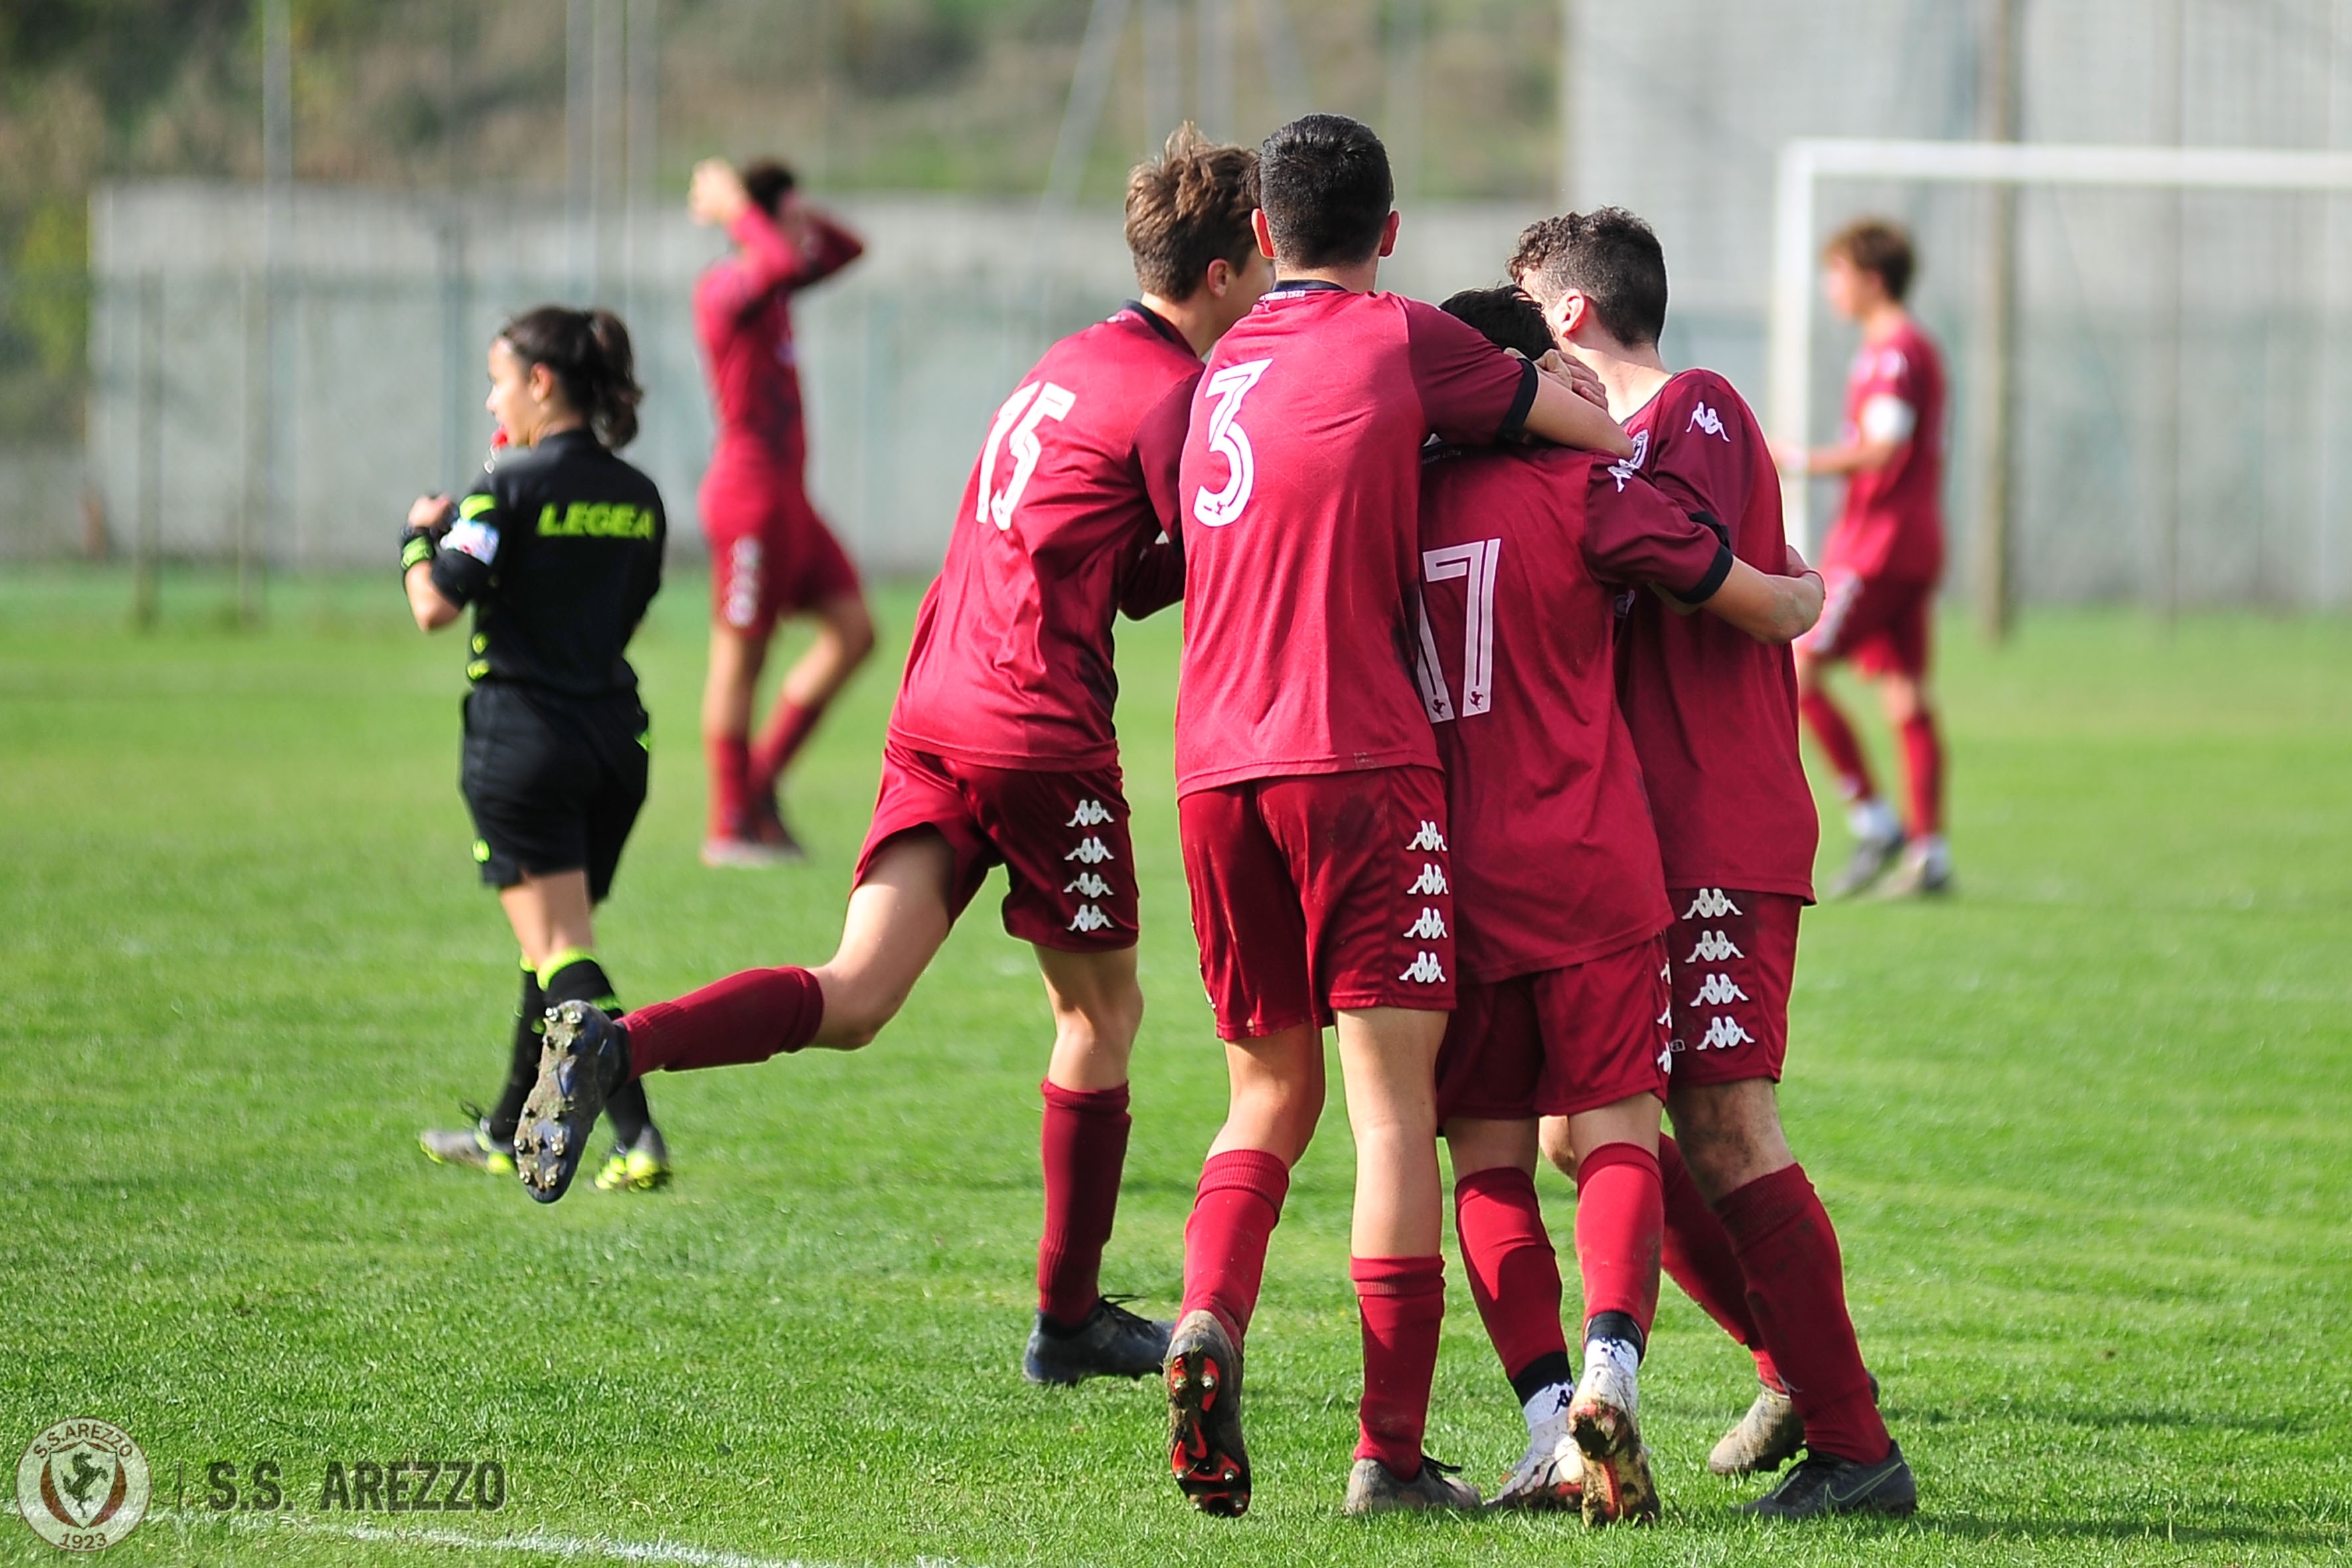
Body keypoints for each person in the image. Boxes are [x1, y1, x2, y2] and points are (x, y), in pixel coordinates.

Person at [503, 129, 1270, 1387]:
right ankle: (1067, 1320)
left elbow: (1118, 561)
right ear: (1232, 269)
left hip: (936, 705)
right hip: (1037, 728)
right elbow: (1210, 554)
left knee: (853, 995)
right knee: (1102, 1012)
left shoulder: (1067, 363)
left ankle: (613, 1040)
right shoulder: (1177, 394)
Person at [1156, 114, 1634, 1521]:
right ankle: (1386, 1449)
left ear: (1255, 240)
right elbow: (1584, 427)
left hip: (1203, 764)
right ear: (1390, 234)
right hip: (1354, 756)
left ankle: (1205, 1314)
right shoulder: (1400, 337)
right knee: (1388, 1115)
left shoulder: (1217, 369)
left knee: (1264, 1093)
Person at [1513, 206, 1918, 1518]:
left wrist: (1548, 472)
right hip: (1627, 835)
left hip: (1713, 827)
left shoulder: (1691, 408)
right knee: (1584, 1133)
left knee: (1728, 1120)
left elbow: (1670, 548)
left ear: (1568, 314)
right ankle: (1792, 1364)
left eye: (1524, 323)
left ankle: (1857, 1447)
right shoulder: (1587, 448)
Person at [1419, 285, 1826, 1528]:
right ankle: (1611, 1370)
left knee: (1486, 1155)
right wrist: (1799, 585)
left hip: (1448, 878)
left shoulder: (1394, 508)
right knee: (1611, 1132)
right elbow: (1757, 600)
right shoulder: (1586, 496)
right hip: (1587, 862)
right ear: (1523, 383)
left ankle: (1544, 1427)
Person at [410, 306, 674, 1196]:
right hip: (613, 744)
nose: (492, 395)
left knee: (561, 947)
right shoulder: (639, 497)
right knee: (549, 946)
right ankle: (500, 1127)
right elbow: (626, 612)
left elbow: (436, 603)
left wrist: (417, 536)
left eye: (498, 377)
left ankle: (638, 1135)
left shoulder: (505, 485)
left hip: (522, 741)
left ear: (540, 383)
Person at [689, 155, 876, 866]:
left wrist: (789, 211)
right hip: (747, 497)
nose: (803, 233)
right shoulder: (727, 287)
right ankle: (728, 823)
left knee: (854, 631)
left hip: (791, 498)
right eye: (789, 218)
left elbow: (848, 248)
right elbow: (767, 261)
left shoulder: (775, 283)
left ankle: (759, 783)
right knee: (741, 658)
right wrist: (743, 209)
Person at [1779, 218, 1951, 898]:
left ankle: (1875, 818)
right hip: (1913, 543)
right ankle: (1929, 852)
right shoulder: (1903, 349)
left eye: (1838, 273)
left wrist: (1793, 459)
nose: (1831, 288)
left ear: (1871, 279)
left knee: (1797, 674)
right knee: (1904, 694)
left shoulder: (1893, 351)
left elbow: (1883, 448)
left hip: (1876, 547)